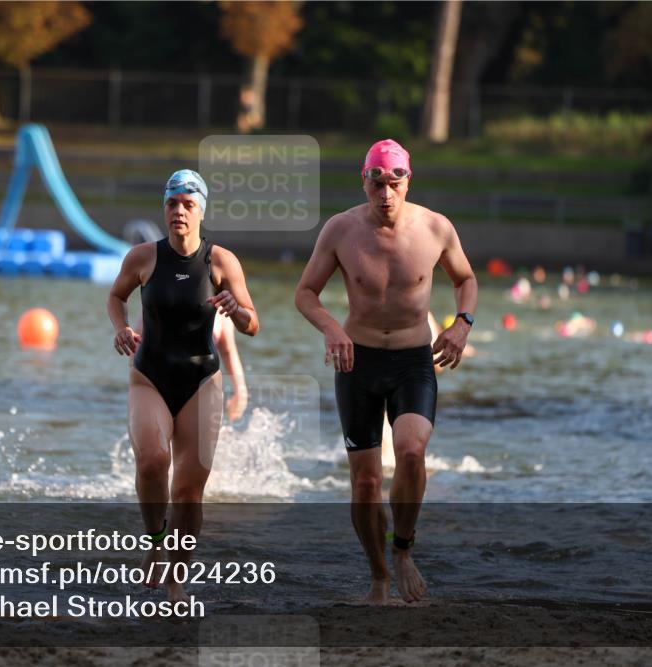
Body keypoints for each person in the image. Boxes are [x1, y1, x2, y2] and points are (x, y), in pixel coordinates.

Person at [294, 139, 477, 605]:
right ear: (364, 181)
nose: (386, 192)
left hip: (413, 361)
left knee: (412, 453)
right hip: (357, 362)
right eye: (377, 182)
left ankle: (403, 548)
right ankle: (378, 576)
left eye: (395, 182)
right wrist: (332, 329)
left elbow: (466, 280)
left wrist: (463, 324)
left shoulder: (436, 228)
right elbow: (306, 294)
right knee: (367, 483)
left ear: (407, 181)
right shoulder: (341, 230)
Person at [107, 169, 259, 603]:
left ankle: (177, 575)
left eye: (188, 204)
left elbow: (253, 324)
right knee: (153, 460)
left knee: (189, 492)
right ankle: (156, 542)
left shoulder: (221, 261)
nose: (178, 211)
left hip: (201, 380)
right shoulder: (143, 258)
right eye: (172, 203)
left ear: (201, 211)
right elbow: (116, 297)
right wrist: (120, 328)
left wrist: (237, 308)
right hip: (149, 376)